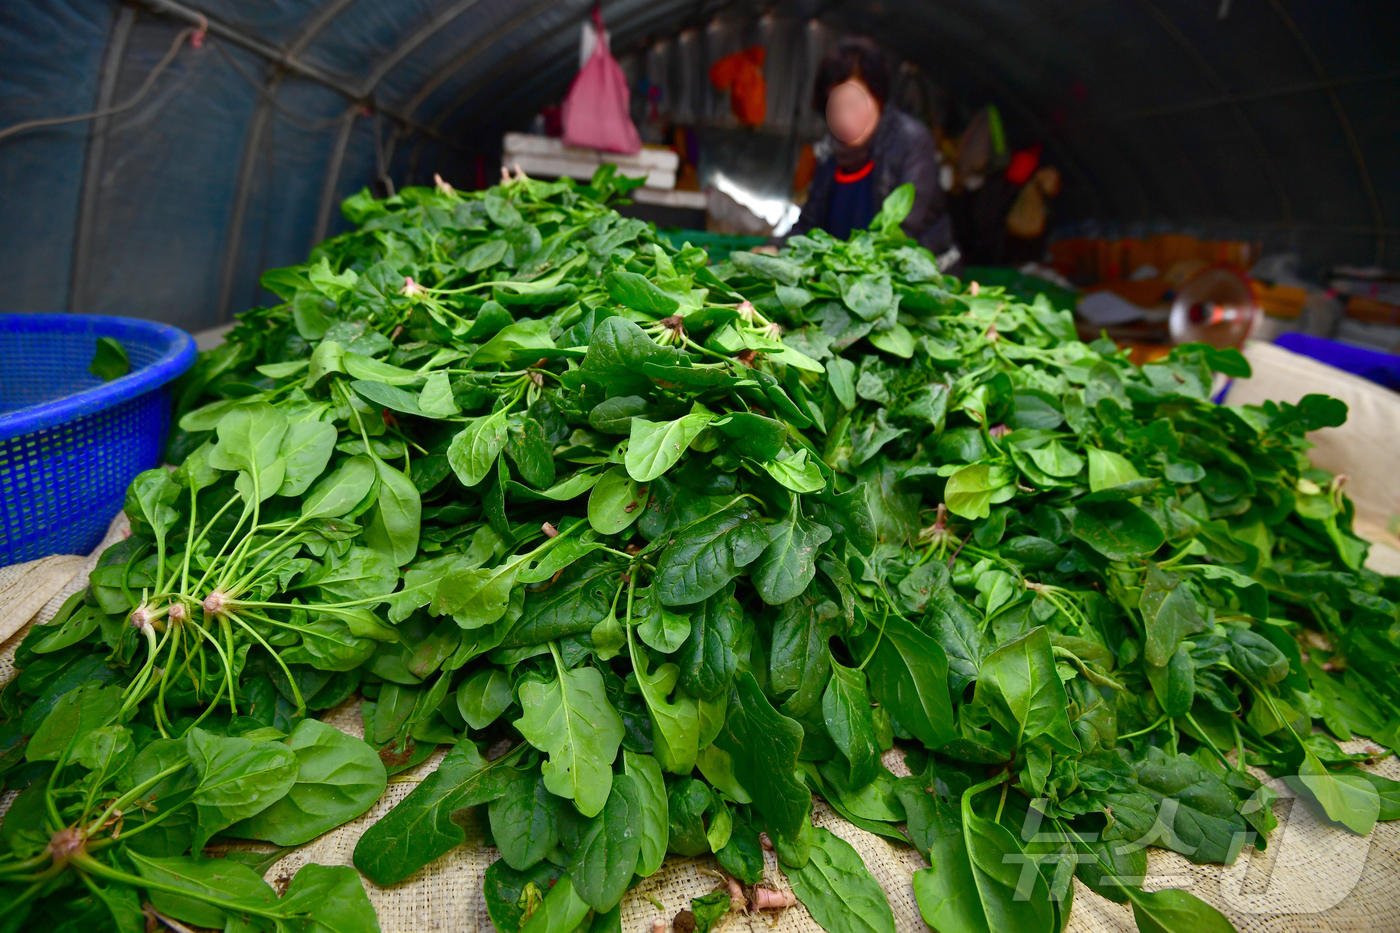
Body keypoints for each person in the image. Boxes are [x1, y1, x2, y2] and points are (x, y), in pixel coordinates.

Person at [788, 37, 959, 271]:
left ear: (877, 97)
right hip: (852, 281)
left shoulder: (911, 141)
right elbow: (809, 223)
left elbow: (901, 230)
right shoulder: (830, 152)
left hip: (916, 281)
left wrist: (844, 263)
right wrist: (776, 248)